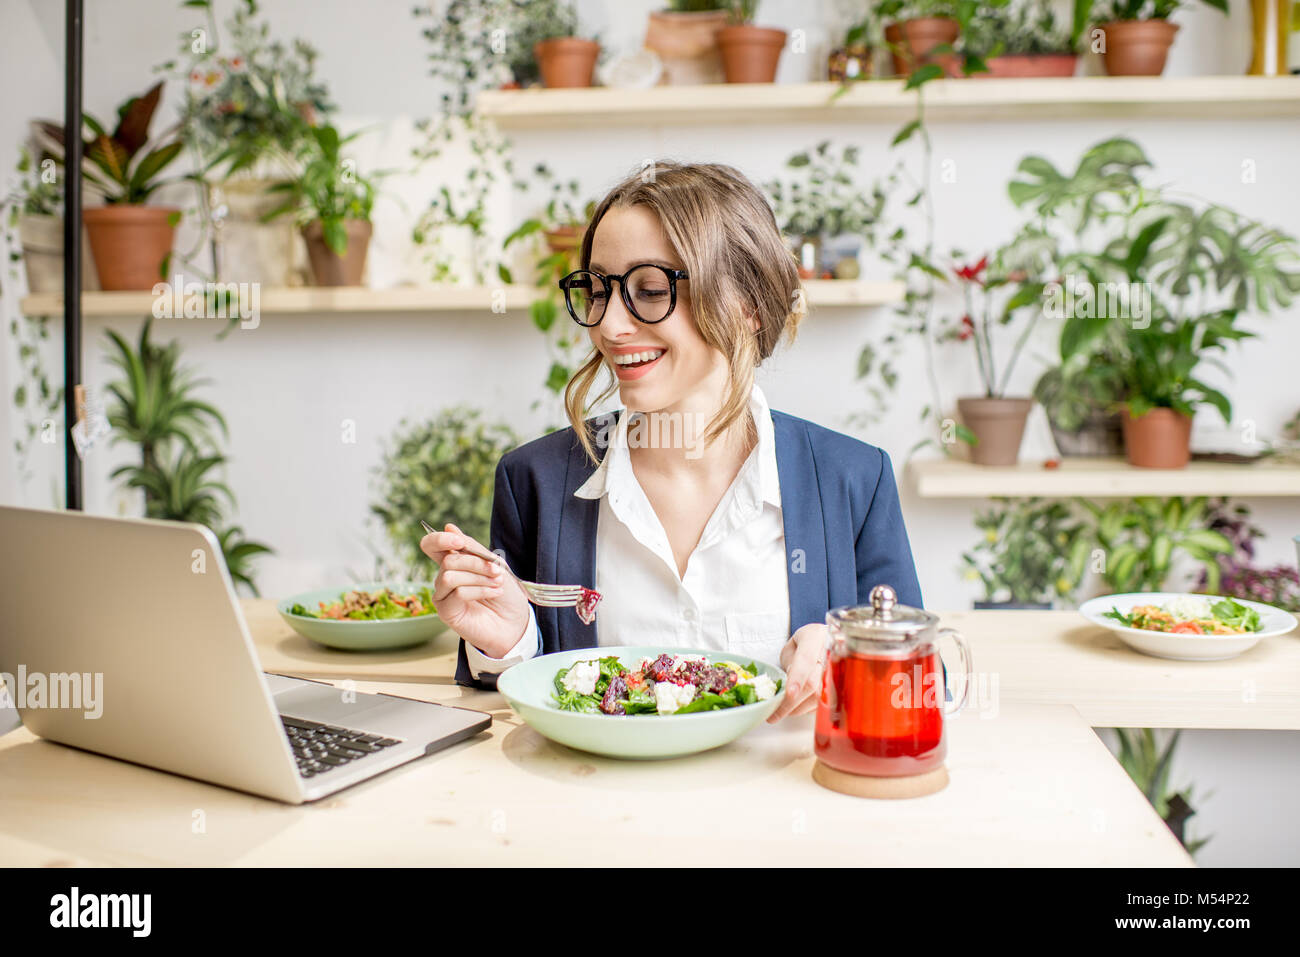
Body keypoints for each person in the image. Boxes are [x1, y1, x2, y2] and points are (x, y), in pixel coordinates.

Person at [421, 161, 922, 723]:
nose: (608, 327)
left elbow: (922, 687)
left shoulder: (852, 478)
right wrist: (509, 639)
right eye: (597, 289)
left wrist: (851, 658)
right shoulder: (533, 480)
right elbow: (510, 697)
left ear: (747, 305)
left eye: (650, 290)